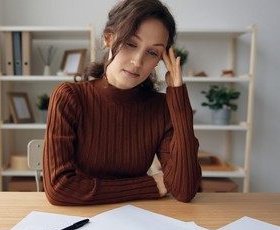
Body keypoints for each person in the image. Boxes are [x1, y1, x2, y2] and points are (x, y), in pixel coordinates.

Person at [43, 0, 202, 205]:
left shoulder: (162, 108)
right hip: (79, 220)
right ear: (109, 38)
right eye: (131, 43)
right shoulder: (69, 97)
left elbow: (184, 189)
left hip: (136, 222)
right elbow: (59, 189)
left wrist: (178, 97)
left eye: (152, 52)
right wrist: (149, 185)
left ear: (161, 60)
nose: (138, 61)